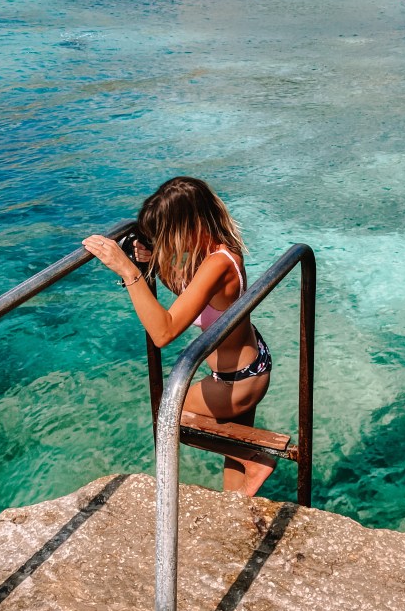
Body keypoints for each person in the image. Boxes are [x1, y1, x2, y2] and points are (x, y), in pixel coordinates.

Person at [82, 176, 275, 497]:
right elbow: (191, 297)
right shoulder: (216, 251)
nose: (167, 243)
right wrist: (154, 265)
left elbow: (164, 332)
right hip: (247, 367)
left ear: (190, 225)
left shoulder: (218, 263)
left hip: (237, 382)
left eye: (168, 234)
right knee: (234, 481)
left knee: (170, 415)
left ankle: (255, 459)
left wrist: (128, 271)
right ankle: (239, 501)